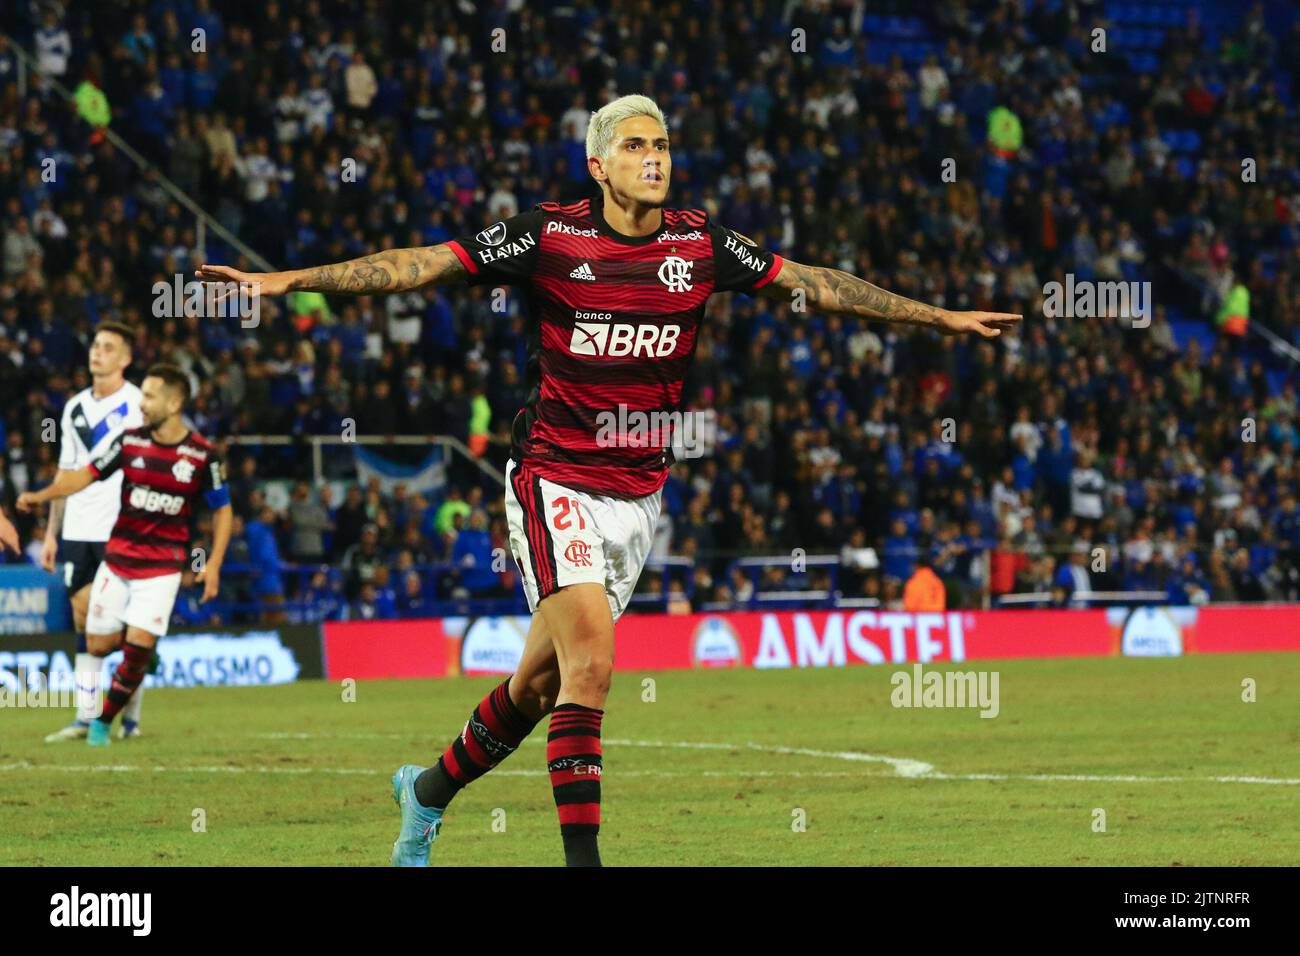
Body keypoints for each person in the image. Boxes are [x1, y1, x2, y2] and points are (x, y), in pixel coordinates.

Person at [197, 93, 1020, 867]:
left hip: (638, 494)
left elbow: (815, 284)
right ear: (598, 165)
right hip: (553, 475)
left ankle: (427, 790)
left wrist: (937, 316)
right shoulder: (550, 237)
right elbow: (422, 265)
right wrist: (289, 279)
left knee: (538, 685)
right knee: (592, 664)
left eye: (661, 145)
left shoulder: (699, 245)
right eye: (634, 146)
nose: (653, 158)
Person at [18, 364, 233, 747]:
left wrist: (213, 564)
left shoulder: (202, 454)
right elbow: (82, 475)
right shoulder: (129, 441)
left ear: (175, 401)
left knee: (133, 649)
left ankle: (102, 720)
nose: (142, 404)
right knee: (99, 645)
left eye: (149, 396)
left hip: (163, 567)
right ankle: (146, 648)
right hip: (118, 561)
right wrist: (41, 495)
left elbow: (223, 509)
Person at [40, 323, 147, 743]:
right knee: (85, 619)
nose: (97, 353)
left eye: (107, 348)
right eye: (95, 346)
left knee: (122, 625)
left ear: (125, 359)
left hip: (121, 526)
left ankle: (130, 716)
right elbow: (65, 472)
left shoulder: (138, 403)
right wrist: (52, 532)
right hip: (78, 530)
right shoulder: (74, 408)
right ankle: (86, 716)